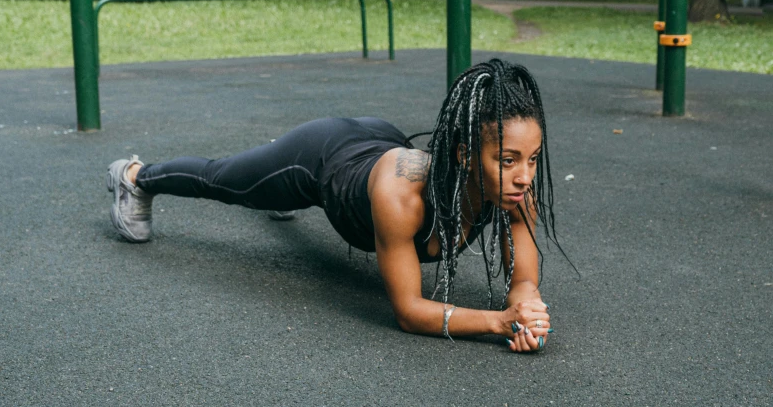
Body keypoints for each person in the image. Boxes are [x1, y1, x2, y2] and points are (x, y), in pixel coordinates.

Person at [106, 59, 566, 353]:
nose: (524, 175)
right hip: (321, 156)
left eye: (532, 159)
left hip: (380, 138)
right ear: (466, 154)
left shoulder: (516, 192)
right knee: (225, 180)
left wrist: (528, 309)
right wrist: (497, 323)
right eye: (507, 160)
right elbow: (408, 310)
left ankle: (271, 181)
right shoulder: (401, 198)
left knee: (261, 185)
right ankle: (133, 176)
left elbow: (522, 279)